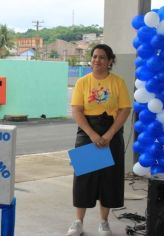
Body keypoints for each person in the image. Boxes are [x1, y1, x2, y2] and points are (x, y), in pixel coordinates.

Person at [67, 44, 131, 236]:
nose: (97, 60)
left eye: (102, 57)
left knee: (109, 179)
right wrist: (93, 135)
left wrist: (109, 135)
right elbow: (77, 110)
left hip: (111, 133)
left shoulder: (118, 82)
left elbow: (124, 110)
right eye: (95, 56)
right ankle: (78, 221)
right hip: (88, 133)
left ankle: (104, 222)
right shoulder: (83, 82)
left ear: (110, 61)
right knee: (84, 179)